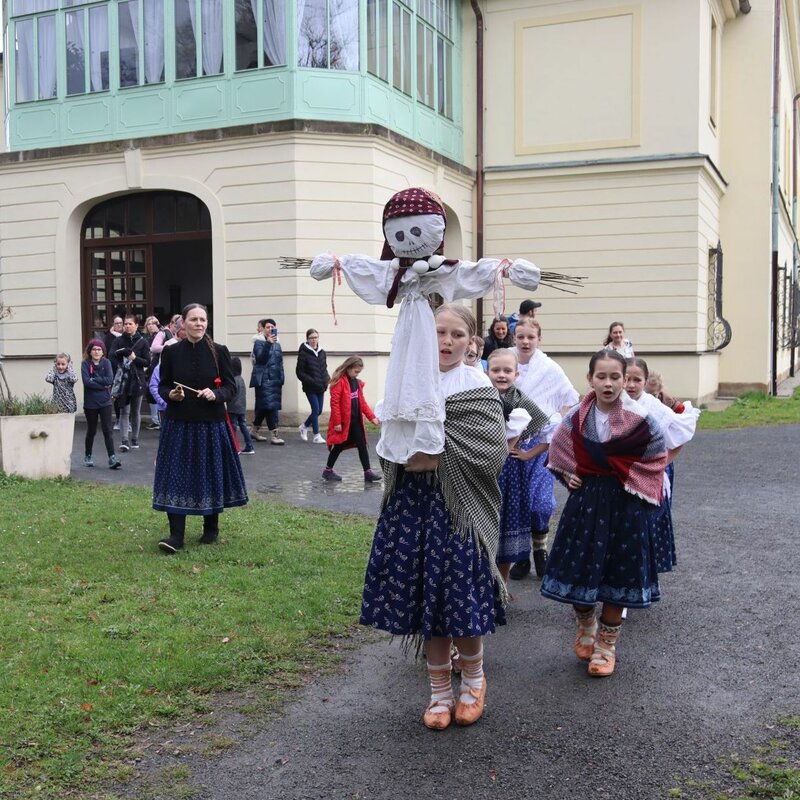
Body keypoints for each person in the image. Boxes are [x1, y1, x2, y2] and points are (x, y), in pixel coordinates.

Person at [360, 304, 508, 730]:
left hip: (458, 510)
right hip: (413, 506)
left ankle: (474, 682)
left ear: (471, 341)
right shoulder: (406, 381)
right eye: (438, 332)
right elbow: (392, 445)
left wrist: (436, 457)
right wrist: (416, 454)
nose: (445, 342)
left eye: (456, 334)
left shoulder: (477, 384)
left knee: (459, 596)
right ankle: (439, 693)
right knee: (426, 597)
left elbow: (490, 451)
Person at [541, 350, 667, 677]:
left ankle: (606, 646)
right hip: (587, 501)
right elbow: (559, 450)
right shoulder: (577, 418)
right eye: (601, 376)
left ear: (625, 380)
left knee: (619, 574)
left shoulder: (641, 419)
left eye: (615, 377)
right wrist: (566, 473)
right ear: (590, 379)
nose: (608, 383)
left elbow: (657, 457)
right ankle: (586, 623)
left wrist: (630, 478)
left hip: (627, 503)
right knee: (577, 567)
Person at [153, 303, 248, 553]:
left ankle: (211, 528)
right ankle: (176, 536)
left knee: (209, 474)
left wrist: (215, 394)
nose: (199, 323)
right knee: (176, 476)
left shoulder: (220, 351)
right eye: (193, 319)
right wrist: (171, 395)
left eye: (203, 319)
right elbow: (161, 386)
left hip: (211, 425)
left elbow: (231, 387)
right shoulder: (171, 352)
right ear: (182, 323)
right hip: (178, 424)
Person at [509, 318, 579, 580]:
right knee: (516, 504)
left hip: (541, 447)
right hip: (513, 446)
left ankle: (541, 549)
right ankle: (522, 556)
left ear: (539, 339)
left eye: (531, 337)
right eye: (521, 336)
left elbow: (571, 398)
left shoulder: (549, 368)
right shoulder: (508, 362)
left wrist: (555, 421)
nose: (525, 341)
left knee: (539, 504)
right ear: (514, 338)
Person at [624, 357, 700, 573]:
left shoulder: (653, 407)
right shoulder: (613, 401)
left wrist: (660, 464)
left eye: (636, 380)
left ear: (645, 381)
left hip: (648, 476)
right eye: (627, 378)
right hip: (618, 476)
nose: (630, 384)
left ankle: (644, 574)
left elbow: (681, 433)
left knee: (646, 524)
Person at [485, 349, 550, 583]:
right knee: (484, 524)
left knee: (507, 526)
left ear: (516, 373)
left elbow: (549, 430)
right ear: (486, 371)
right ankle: (483, 582)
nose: (501, 375)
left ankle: (501, 584)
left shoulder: (521, 400)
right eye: (496, 370)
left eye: (507, 370)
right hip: (484, 470)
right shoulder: (480, 397)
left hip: (511, 472)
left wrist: (528, 453)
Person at [323, 356, 381, 482]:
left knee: (362, 445)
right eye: (355, 371)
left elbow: (362, 403)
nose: (357, 374)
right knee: (338, 446)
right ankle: (328, 470)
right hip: (344, 423)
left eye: (359, 372)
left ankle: (368, 472)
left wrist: (372, 418)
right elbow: (335, 403)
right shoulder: (339, 382)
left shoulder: (357, 383)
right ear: (348, 368)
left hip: (355, 422)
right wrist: (337, 422)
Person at [110, 315, 150, 452]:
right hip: (124, 380)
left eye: (130, 324)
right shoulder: (118, 340)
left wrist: (134, 358)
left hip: (138, 379)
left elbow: (147, 362)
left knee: (136, 411)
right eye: (125, 324)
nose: (127, 326)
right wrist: (121, 362)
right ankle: (124, 440)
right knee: (124, 411)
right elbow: (111, 356)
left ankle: (135, 438)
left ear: (136, 325)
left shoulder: (143, 342)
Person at [81, 340, 121, 469]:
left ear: (103, 351)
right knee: (91, 430)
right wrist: (103, 384)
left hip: (105, 402)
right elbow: (87, 382)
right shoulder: (85, 364)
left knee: (107, 430)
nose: (96, 351)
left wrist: (95, 379)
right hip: (90, 403)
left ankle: (112, 457)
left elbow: (110, 380)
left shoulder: (107, 363)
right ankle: (88, 455)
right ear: (89, 351)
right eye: (94, 349)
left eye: (99, 349)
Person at [250, 318, 285, 445]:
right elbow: (260, 359)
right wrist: (268, 344)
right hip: (263, 379)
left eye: (273, 327)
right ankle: (274, 435)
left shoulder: (278, 344)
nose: (270, 329)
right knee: (270, 407)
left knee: (264, 406)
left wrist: (282, 377)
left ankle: (254, 430)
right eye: (268, 327)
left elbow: (280, 363)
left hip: (275, 379)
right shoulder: (259, 343)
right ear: (263, 329)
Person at [296, 328, 330, 444]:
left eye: (315, 337)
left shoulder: (322, 352)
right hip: (310, 387)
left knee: (319, 411)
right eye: (311, 338)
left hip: (321, 386)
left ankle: (304, 426)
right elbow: (299, 372)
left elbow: (324, 368)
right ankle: (316, 435)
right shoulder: (303, 353)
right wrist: (311, 381)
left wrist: (326, 380)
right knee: (315, 409)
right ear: (307, 339)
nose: (314, 340)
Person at [229, 356, 255, 455]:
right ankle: (249, 446)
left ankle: (234, 447)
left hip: (233, 407)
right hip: (242, 407)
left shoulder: (233, 380)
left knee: (233, 427)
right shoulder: (241, 379)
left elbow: (231, 394)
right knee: (243, 426)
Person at [104, 315, 124, 430]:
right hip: (114, 369)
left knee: (125, 396)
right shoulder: (109, 337)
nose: (119, 325)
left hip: (125, 370)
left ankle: (127, 420)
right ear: (113, 324)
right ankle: (118, 419)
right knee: (116, 395)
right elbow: (106, 353)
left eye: (121, 323)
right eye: (116, 323)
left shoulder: (127, 336)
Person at [143, 316, 162, 430]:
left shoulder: (162, 336)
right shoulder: (146, 338)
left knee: (155, 390)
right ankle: (155, 419)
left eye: (153, 323)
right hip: (148, 367)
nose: (151, 326)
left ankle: (158, 419)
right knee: (149, 391)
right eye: (148, 324)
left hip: (158, 367)